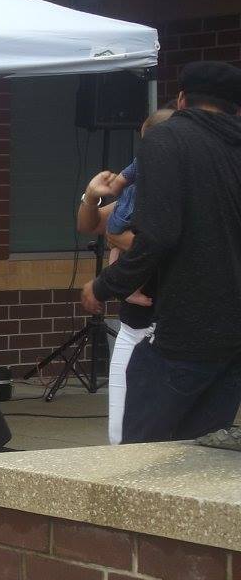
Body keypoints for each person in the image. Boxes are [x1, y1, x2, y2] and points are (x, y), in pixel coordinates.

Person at [80, 61, 241, 443]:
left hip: (187, 326)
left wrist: (105, 285)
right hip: (233, 334)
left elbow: (160, 234)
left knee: (143, 453)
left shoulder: (168, 139)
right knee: (204, 453)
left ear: (182, 99)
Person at [76, 108, 172, 445]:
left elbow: (158, 243)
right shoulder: (139, 185)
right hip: (133, 326)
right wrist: (91, 196)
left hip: (169, 327)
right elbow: (92, 223)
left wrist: (110, 274)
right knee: (120, 434)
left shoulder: (183, 190)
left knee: (163, 435)